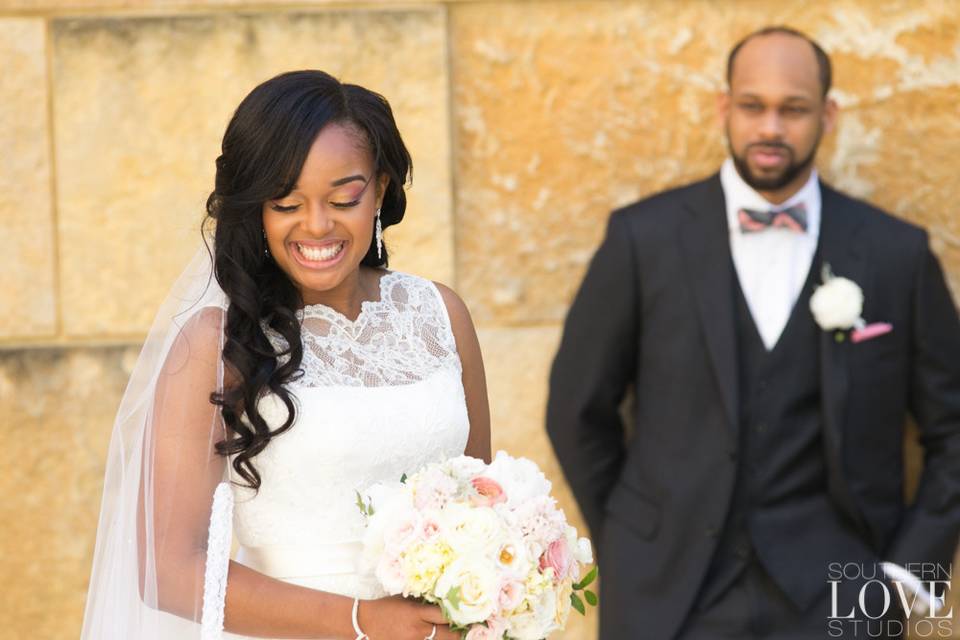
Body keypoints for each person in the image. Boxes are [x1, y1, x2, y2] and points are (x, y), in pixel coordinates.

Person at [547, 26, 960, 640]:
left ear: (828, 115)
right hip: (669, 598)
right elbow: (577, 410)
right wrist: (634, 543)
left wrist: (906, 577)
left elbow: (953, 427)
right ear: (724, 108)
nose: (770, 127)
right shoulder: (644, 239)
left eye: (792, 109)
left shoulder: (894, 253)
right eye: (752, 106)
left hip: (843, 598)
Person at [80, 70, 491, 640]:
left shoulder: (440, 315)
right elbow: (166, 570)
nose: (317, 225)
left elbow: (484, 508)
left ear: (380, 188)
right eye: (286, 202)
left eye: (343, 197)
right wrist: (363, 622)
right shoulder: (214, 344)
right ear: (257, 211)